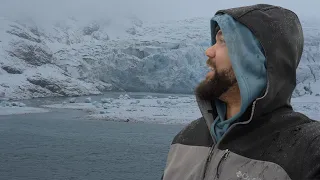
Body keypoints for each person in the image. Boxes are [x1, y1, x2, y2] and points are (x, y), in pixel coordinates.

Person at [161, 4, 320, 180]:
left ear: (255, 60)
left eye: (223, 41)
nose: (209, 51)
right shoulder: (185, 138)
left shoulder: (309, 151)